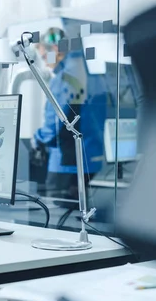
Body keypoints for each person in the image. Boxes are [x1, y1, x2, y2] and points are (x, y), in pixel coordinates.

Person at [32, 28, 106, 201]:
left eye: (45, 57)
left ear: (56, 50)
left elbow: (57, 121)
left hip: (67, 162)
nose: (46, 63)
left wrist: (38, 138)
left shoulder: (66, 77)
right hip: (92, 157)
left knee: (59, 217)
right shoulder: (91, 73)